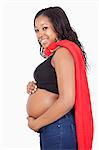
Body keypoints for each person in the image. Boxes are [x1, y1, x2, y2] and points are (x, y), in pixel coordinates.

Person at [26, 6, 93, 150]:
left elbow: (67, 100)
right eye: (37, 30)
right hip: (54, 127)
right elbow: (54, 86)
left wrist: (37, 123)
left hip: (58, 126)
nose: (40, 34)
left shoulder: (62, 53)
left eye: (45, 28)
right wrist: (37, 86)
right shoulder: (57, 54)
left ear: (57, 27)